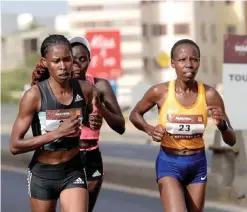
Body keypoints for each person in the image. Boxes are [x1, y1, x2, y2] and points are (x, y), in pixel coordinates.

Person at [129, 39, 236, 212]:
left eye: (194, 60)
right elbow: (135, 114)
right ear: (173, 63)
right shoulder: (160, 92)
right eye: (182, 60)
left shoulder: (210, 95)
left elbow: (231, 140)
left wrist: (222, 125)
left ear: (199, 63)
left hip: (197, 163)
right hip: (169, 162)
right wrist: (150, 130)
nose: (189, 65)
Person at [10, 34, 99, 212]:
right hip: (42, 174)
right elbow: (15, 145)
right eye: (56, 61)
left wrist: (95, 121)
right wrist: (57, 133)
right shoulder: (34, 96)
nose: (63, 66)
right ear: (45, 62)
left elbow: (92, 120)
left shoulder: (87, 90)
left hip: (72, 168)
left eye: (67, 60)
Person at [69, 36, 125, 212]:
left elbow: (120, 126)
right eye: (72, 59)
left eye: (82, 59)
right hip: (67, 154)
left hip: (92, 155)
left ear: (89, 61)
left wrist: (100, 108)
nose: (77, 64)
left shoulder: (100, 85)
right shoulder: (58, 87)